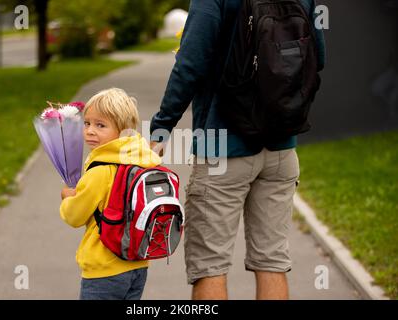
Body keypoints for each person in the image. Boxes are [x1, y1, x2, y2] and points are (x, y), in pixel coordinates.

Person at [150, 0, 326, 300]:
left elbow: (190, 65)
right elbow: (317, 57)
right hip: (282, 148)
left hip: (222, 148)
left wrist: (160, 129)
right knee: (272, 261)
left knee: (210, 266)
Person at [60, 88, 161, 300]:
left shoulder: (99, 171)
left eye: (100, 125)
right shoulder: (143, 162)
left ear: (123, 131)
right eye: (87, 123)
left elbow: (74, 216)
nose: (89, 130)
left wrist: (67, 198)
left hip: (104, 270)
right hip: (138, 264)